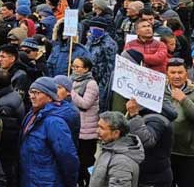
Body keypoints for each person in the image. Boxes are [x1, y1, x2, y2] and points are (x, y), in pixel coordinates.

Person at [19, 78, 78, 187]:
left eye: (37, 93)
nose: (32, 96)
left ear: (50, 97)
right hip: (29, 179)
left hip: (47, 182)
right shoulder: (32, 114)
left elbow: (67, 157)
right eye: (31, 92)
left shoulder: (54, 123)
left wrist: (70, 183)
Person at [166, 58, 194, 187]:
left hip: (187, 153)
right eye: (173, 72)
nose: (176, 76)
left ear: (186, 73)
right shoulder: (160, 92)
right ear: (167, 74)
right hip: (164, 152)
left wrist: (184, 100)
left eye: (180, 72)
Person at [67, 56, 99, 187]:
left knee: (86, 161)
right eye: (73, 66)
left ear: (86, 69)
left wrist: (71, 93)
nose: (74, 69)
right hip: (75, 128)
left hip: (87, 131)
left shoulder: (91, 84)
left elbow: (85, 104)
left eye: (78, 67)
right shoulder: (71, 80)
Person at [89, 111, 143, 187]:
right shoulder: (109, 147)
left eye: (102, 128)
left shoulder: (121, 163)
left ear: (116, 133)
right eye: (98, 126)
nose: (97, 131)